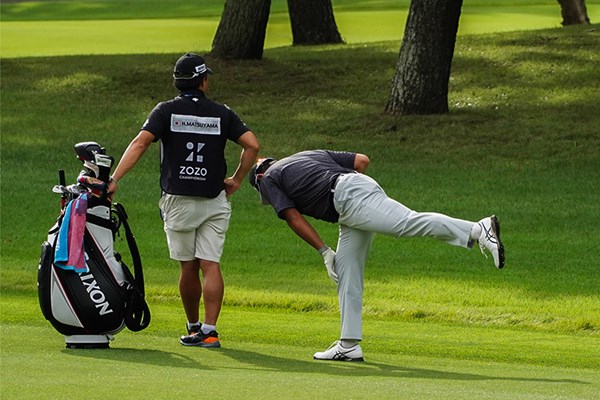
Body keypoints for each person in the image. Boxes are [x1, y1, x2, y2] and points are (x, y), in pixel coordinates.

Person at [248, 150, 504, 361]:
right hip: (352, 197)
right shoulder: (305, 154)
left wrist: (323, 250)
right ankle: (348, 345)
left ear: (258, 176)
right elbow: (362, 161)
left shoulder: (267, 177)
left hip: (347, 198)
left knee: (407, 223)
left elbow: (292, 217)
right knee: (347, 268)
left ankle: (477, 229)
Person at [108, 53, 259, 348]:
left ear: (178, 82)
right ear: (203, 81)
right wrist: (238, 179)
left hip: (178, 200)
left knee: (188, 267)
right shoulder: (222, 112)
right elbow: (252, 145)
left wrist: (115, 179)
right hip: (214, 199)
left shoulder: (166, 111)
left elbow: (140, 143)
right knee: (211, 265)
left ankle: (193, 327)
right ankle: (210, 330)